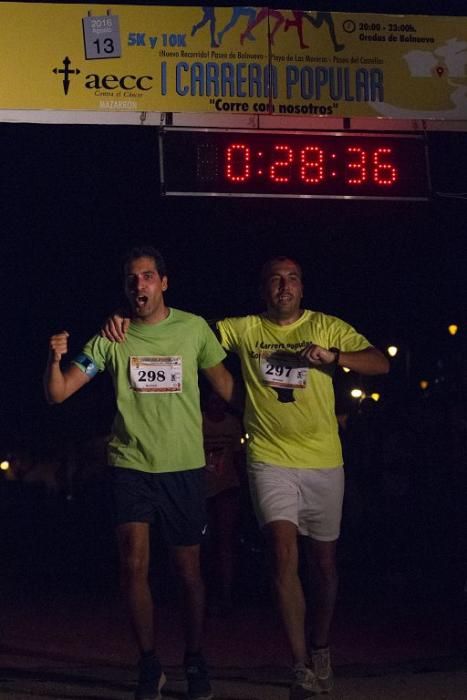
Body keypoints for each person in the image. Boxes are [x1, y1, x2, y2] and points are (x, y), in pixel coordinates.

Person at [101, 256, 390, 699]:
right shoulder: (243, 328)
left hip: (323, 459)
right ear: (264, 289)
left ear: (302, 288)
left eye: (292, 278)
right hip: (269, 456)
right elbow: (181, 327)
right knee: (281, 550)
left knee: (325, 566)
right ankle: (299, 666)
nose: (283, 286)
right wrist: (126, 316)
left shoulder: (328, 326)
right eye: (274, 279)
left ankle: (321, 646)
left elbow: (379, 363)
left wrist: (335, 357)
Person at [44, 245, 234, 700]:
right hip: (131, 467)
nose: (139, 285)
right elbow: (60, 393)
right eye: (132, 278)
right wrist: (55, 357)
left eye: (147, 276)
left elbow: (227, 387)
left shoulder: (193, 329)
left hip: (185, 469)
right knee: (133, 567)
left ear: (163, 282)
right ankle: (150, 663)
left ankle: (194, 659)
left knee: (188, 570)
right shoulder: (112, 337)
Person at [202, 391, 243, 615]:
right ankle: (204, 592)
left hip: (227, 487)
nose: (216, 405)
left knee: (226, 541)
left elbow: (238, 455)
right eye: (212, 401)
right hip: (202, 489)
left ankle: (226, 594)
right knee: (204, 543)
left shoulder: (232, 424)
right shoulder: (198, 420)